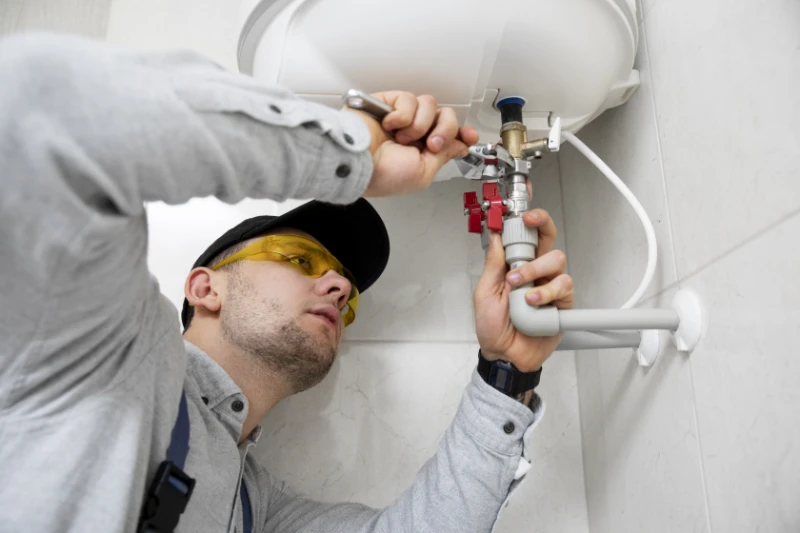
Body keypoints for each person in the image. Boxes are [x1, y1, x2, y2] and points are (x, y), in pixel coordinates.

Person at [0, 32, 574, 533]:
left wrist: (507, 373)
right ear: (205, 289)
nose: (340, 288)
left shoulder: (254, 508)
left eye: (346, 291)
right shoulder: (98, 356)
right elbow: (34, 107)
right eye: (299, 259)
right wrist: (348, 152)